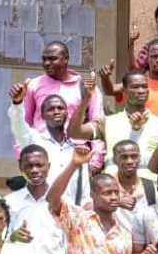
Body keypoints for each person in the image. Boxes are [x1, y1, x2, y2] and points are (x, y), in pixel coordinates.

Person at [19, 41, 105, 172]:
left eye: (52, 58)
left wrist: (95, 162)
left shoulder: (86, 88)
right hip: (42, 156)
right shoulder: (34, 85)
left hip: (76, 155)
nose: (47, 63)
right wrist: (22, 156)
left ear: (66, 59)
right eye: (44, 59)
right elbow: (23, 124)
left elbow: (97, 125)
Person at [70, 70, 158, 180]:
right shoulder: (108, 122)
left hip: (150, 187)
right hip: (114, 186)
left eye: (144, 87)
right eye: (135, 87)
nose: (141, 91)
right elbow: (74, 132)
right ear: (124, 91)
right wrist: (86, 99)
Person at [8, 89, 90, 203]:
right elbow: (19, 126)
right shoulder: (34, 140)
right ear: (42, 115)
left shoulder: (76, 149)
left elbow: (85, 190)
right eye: (51, 109)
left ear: (67, 113)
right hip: (41, 207)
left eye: (60, 108)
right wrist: (17, 104)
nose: (56, 112)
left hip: (71, 211)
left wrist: (85, 207)